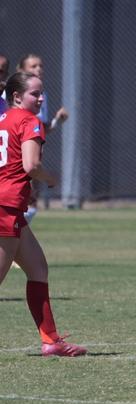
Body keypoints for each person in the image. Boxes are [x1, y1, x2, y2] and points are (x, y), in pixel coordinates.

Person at [0, 71, 87, 357]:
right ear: (16, 96)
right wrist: (50, 179)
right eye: (34, 94)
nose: (40, 99)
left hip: (9, 205)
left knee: (38, 268)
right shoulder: (29, 121)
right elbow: (31, 165)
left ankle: (51, 341)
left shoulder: (3, 119)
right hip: (6, 206)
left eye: (41, 93)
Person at [16, 54, 69, 223]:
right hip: (15, 155)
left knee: (30, 203)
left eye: (40, 65)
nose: (38, 69)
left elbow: (40, 130)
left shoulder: (41, 95)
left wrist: (56, 121)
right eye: (33, 66)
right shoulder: (13, 94)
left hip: (32, 153)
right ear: (21, 70)